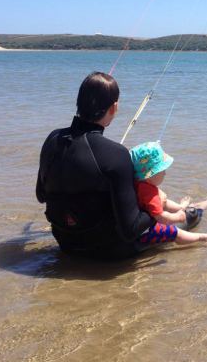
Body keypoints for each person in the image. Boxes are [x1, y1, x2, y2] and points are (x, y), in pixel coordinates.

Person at [36, 71, 165, 259]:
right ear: (114, 107)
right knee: (155, 200)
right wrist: (156, 208)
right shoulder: (117, 154)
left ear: (79, 102)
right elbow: (131, 230)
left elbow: (41, 195)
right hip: (108, 252)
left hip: (66, 245)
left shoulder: (52, 139)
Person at [130, 141, 207, 246]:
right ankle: (200, 237)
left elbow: (162, 203)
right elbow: (161, 218)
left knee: (164, 201)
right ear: (151, 175)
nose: (165, 173)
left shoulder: (138, 182)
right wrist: (177, 217)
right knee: (176, 233)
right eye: (162, 170)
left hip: (142, 211)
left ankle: (180, 206)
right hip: (147, 229)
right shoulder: (151, 195)